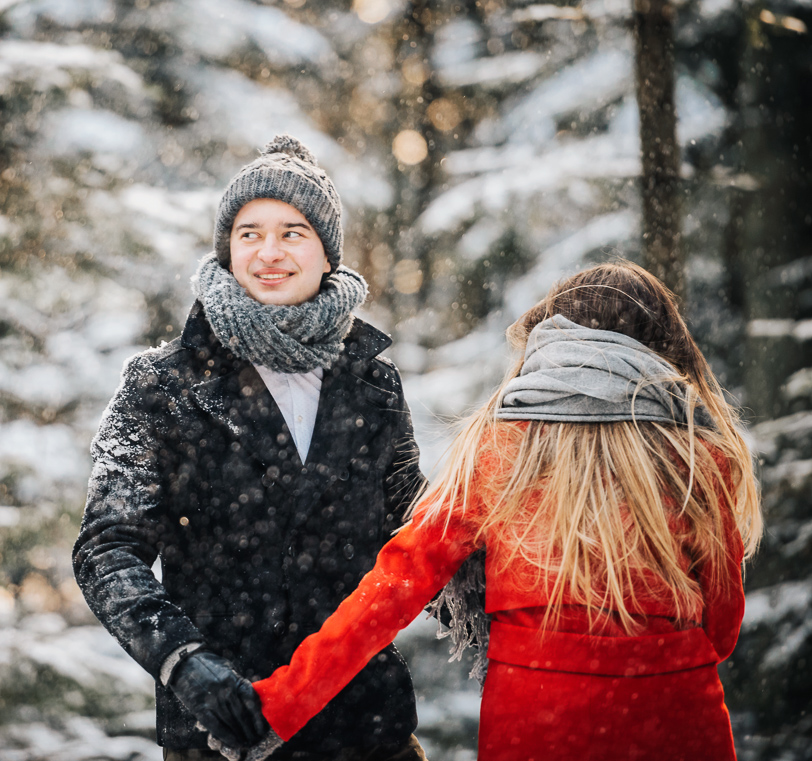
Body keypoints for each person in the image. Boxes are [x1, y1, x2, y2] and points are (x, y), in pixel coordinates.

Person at [251, 262, 763, 761]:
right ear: (662, 349)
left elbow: (392, 588)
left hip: (537, 716)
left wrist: (280, 703)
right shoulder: (698, 458)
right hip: (675, 714)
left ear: (554, 338)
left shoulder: (497, 449)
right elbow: (721, 629)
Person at [73, 135, 428, 760]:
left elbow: (417, 533)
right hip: (228, 730)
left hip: (366, 728)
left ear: (327, 255)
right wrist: (184, 662)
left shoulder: (373, 383)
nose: (269, 252)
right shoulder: (163, 386)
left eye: (293, 232)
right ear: (226, 248)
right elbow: (107, 552)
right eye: (248, 232)